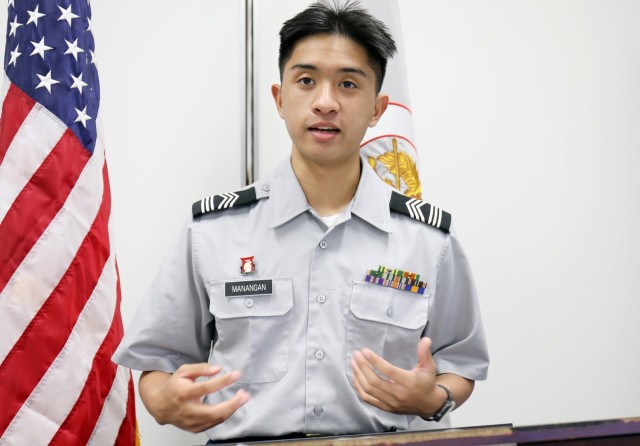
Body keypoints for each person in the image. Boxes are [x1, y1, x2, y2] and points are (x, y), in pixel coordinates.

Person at [113, 0, 489, 441]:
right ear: (279, 98)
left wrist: (433, 398)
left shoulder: (428, 240)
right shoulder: (214, 232)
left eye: (348, 84)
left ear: (377, 109)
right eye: (306, 81)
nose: (325, 102)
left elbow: (460, 363)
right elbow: (157, 362)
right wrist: (162, 401)